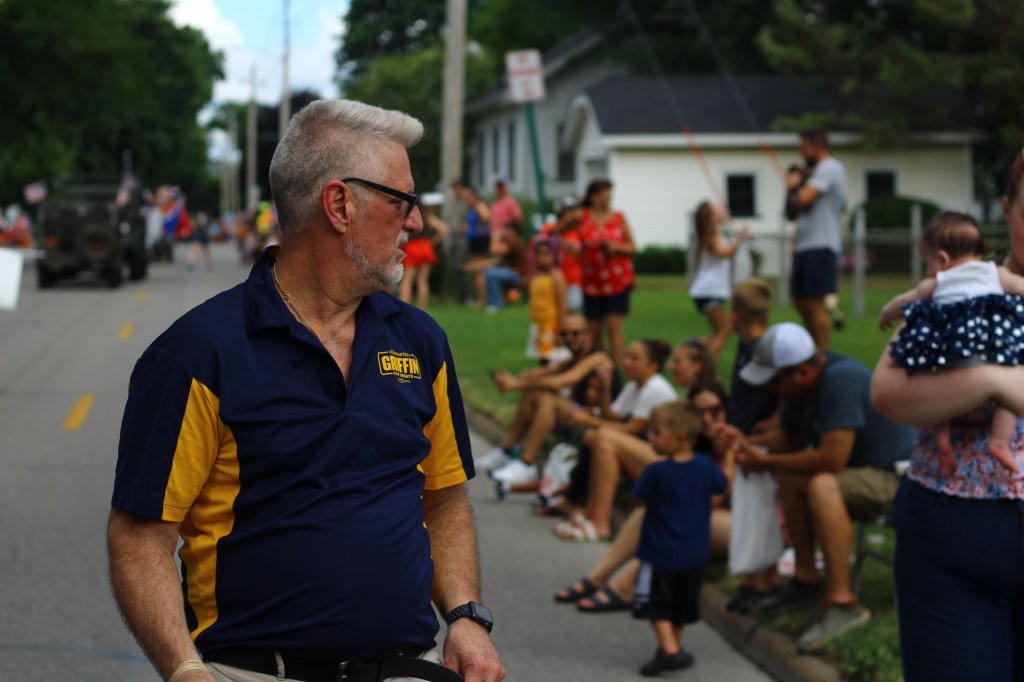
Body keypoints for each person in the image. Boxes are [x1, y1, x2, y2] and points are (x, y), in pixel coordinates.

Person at [106, 100, 505, 682]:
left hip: (405, 668)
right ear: (340, 205)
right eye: (402, 201)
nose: (416, 222)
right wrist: (185, 670)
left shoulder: (421, 341)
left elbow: (443, 499)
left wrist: (466, 617)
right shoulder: (196, 353)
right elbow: (140, 537)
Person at [870, 151, 1024, 682]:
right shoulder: (969, 283)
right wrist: (992, 382)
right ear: (1006, 209)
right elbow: (888, 392)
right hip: (953, 530)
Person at [712, 321, 913, 653]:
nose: (770, 390)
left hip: (898, 480)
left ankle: (843, 604)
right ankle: (806, 580)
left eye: (774, 381)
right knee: (792, 478)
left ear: (802, 372)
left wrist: (766, 461)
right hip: (863, 472)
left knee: (822, 485)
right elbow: (791, 439)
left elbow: (832, 458)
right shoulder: (801, 386)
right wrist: (745, 443)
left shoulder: (841, 379)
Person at [553, 378, 733, 610]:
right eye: (700, 412)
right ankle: (598, 576)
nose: (708, 418)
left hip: (735, 524)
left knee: (670, 516)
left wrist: (729, 452)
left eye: (715, 410)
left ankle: (623, 587)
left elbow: (716, 495)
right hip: (701, 515)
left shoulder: (733, 441)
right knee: (653, 510)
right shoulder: (693, 448)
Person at [879, 210, 1024, 473]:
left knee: (938, 392)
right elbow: (1020, 286)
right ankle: (1000, 441)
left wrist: (886, 314)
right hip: (992, 349)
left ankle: (943, 440)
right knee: (1010, 399)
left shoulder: (938, 282)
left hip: (950, 350)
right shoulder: (995, 273)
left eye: (928, 263)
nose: (929, 271)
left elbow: (905, 300)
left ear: (943, 259)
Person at [493, 338, 674, 491]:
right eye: (564, 333)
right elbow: (612, 416)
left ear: (653, 365)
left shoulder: (653, 387)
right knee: (546, 399)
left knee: (598, 437)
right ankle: (514, 456)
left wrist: (588, 420)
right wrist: (605, 391)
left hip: (657, 456)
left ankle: (545, 479)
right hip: (638, 444)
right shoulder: (633, 385)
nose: (626, 363)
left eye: (634, 359)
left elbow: (632, 429)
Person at [632, 401, 728, 676]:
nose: (651, 438)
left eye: (657, 433)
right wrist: (731, 454)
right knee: (679, 607)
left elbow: (639, 498)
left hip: (659, 552)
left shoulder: (657, 471)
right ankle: (669, 649)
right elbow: (722, 485)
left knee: (654, 605)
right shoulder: (705, 466)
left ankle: (671, 652)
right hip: (694, 553)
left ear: (680, 437)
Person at [482, 313, 617, 475]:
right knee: (533, 391)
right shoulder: (574, 358)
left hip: (599, 419)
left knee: (548, 399)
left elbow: (558, 382)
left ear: (588, 335)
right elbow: (540, 373)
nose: (569, 338)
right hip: (579, 413)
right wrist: (512, 379)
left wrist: (516, 385)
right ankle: (507, 449)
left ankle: (527, 463)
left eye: (575, 333)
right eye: (564, 334)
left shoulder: (598, 357)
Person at [558, 179, 637, 370]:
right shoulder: (581, 216)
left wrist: (617, 248)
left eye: (610, 196)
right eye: (605, 196)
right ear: (594, 197)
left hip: (616, 282)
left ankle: (616, 370)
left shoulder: (618, 217)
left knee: (614, 327)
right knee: (593, 330)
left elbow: (632, 247)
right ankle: (599, 366)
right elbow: (555, 232)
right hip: (591, 283)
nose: (608, 200)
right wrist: (571, 249)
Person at [787, 130, 847, 350]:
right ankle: (812, 349)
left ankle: (823, 354)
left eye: (804, 148)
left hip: (821, 245)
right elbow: (792, 212)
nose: (801, 153)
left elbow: (804, 199)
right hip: (804, 245)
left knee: (814, 302)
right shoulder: (814, 173)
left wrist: (795, 186)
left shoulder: (830, 167)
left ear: (818, 145)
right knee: (801, 301)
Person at [688, 201, 751, 364]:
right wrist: (740, 238)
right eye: (715, 209)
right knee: (723, 330)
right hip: (710, 289)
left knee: (723, 329)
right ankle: (706, 367)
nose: (719, 210)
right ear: (710, 217)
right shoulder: (713, 233)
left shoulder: (711, 232)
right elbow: (723, 253)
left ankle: (695, 350)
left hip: (709, 289)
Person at [398, 192, 449, 310]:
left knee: (407, 281)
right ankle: (422, 309)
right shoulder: (427, 215)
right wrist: (432, 242)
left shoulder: (408, 214)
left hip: (412, 247)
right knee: (423, 280)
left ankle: (404, 308)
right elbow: (444, 229)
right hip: (426, 247)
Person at [524, 237, 568, 363]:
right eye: (539, 254)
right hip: (538, 323)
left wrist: (561, 331)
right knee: (541, 356)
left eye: (547, 254)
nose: (542, 258)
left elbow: (562, 305)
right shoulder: (535, 276)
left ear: (554, 255)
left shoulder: (556, 276)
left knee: (550, 357)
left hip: (551, 323)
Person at [452, 180, 492, 307]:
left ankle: (482, 300)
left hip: (480, 240)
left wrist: (476, 225)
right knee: (476, 272)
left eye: (469, 195)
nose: (466, 198)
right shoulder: (471, 207)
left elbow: (486, 217)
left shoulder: (479, 205)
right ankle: (479, 299)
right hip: (474, 240)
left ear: (474, 195)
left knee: (478, 270)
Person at [540, 196, 583, 311]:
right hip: (551, 279)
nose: (569, 215)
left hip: (574, 281)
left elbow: (584, 259)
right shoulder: (549, 228)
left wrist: (574, 251)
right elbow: (539, 249)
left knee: (572, 306)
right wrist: (561, 242)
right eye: (566, 211)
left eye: (571, 211)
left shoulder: (580, 231)